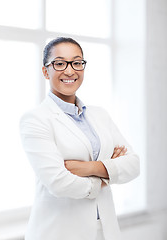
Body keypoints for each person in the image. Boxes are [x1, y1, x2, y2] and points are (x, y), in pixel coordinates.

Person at [20, 37, 140, 240]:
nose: (69, 71)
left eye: (77, 62)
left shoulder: (100, 115)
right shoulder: (35, 119)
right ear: (45, 71)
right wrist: (108, 174)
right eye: (59, 63)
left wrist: (88, 168)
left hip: (105, 230)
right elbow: (58, 182)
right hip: (59, 232)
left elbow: (134, 165)